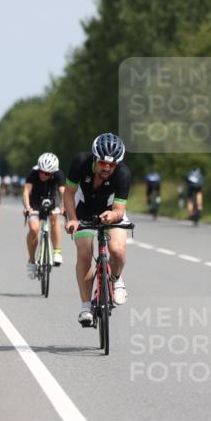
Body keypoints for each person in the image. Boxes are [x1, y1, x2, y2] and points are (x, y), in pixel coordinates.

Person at [63, 133, 132, 327]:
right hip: (83, 208)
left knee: (117, 251)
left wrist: (113, 216)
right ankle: (85, 306)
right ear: (95, 158)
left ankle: (116, 280)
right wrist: (73, 219)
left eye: (112, 164)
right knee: (85, 253)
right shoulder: (80, 163)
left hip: (110, 211)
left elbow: (119, 210)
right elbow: (69, 193)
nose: (107, 168)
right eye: (103, 163)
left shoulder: (123, 174)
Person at [23, 152, 66, 277]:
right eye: (41, 171)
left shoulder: (58, 174)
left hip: (51, 199)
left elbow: (63, 193)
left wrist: (64, 208)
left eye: (47, 173)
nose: (43, 175)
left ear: (53, 172)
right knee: (34, 228)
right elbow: (26, 192)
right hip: (35, 201)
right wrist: (27, 208)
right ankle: (31, 261)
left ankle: (57, 251)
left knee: (54, 217)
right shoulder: (33, 173)